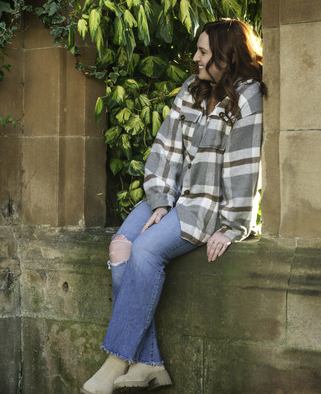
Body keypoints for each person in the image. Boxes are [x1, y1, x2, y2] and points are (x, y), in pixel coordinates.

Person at [81, 19, 267, 394]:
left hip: (206, 205)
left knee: (146, 250)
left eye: (203, 52)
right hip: (172, 197)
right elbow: (165, 149)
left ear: (227, 56)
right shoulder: (191, 89)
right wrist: (160, 200)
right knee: (120, 247)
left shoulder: (247, 97)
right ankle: (150, 363)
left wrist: (232, 227)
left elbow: (244, 166)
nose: (195, 58)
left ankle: (116, 361)